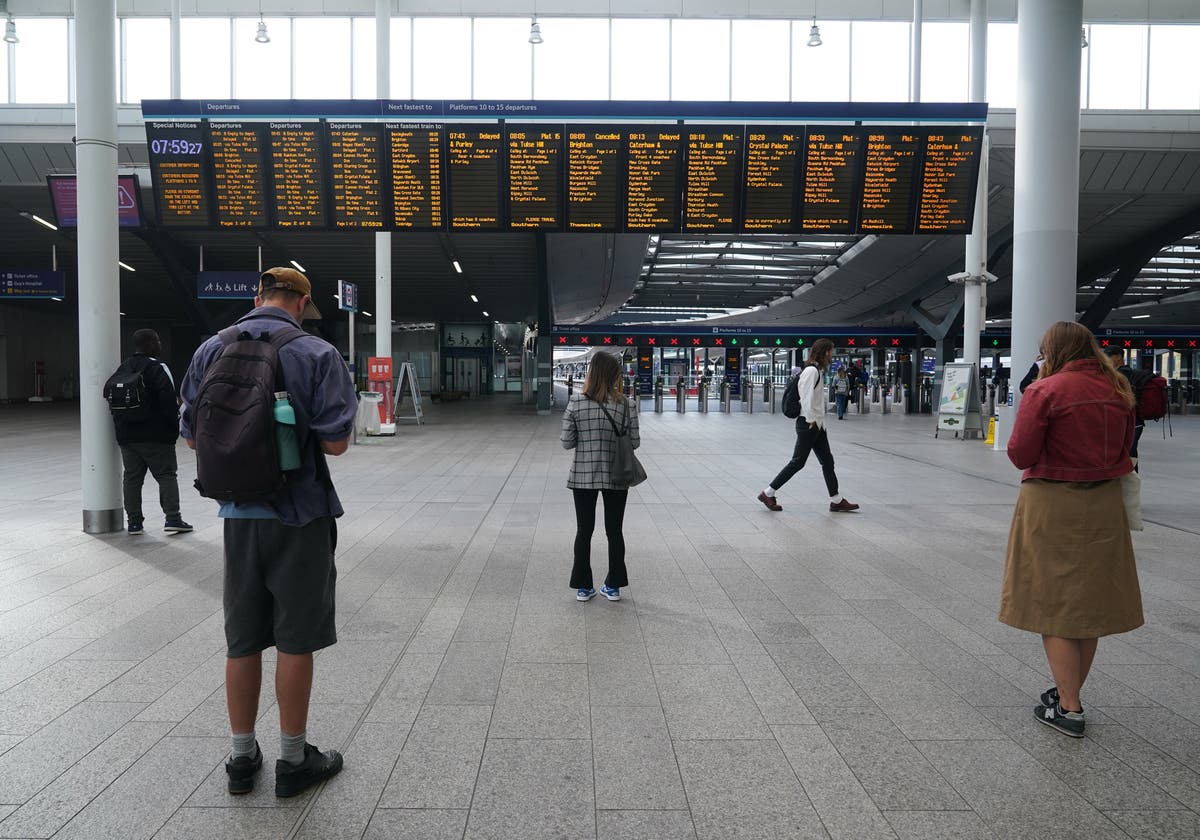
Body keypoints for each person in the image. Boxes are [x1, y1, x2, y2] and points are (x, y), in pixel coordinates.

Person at [179, 267, 357, 797]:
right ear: (301, 303)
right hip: (299, 514)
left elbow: (192, 438)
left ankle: (240, 760)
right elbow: (336, 444)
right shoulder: (317, 354)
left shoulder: (213, 347)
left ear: (257, 297)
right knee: (295, 641)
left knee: (243, 641)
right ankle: (293, 759)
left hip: (237, 516)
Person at [1000, 321, 1142, 739]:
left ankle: (1069, 708)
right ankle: (1069, 691)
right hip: (1104, 503)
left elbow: (1020, 452)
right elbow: (1125, 451)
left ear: (1051, 351)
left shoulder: (1045, 390)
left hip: (1052, 500)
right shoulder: (1117, 390)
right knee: (1089, 605)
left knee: (1054, 602)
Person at [561, 351, 639, 603]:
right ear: (615, 375)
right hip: (617, 476)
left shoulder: (576, 402)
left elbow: (567, 442)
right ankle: (613, 586)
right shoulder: (627, 404)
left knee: (584, 531)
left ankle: (583, 587)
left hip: (583, 476)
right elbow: (634, 443)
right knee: (614, 531)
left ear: (591, 373)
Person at [757, 338, 859, 514]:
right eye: (830, 352)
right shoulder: (811, 371)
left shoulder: (816, 370)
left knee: (827, 461)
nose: (832, 355)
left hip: (817, 425)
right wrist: (812, 419)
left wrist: (819, 422)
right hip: (809, 424)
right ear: (824, 352)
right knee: (798, 462)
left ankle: (836, 500)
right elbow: (805, 397)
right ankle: (768, 493)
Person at [108, 328, 192, 535]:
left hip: (127, 436)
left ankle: (134, 523)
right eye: (158, 341)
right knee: (166, 475)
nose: (160, 345)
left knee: (132, 478)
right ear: (151, 343)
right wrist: (173, 430)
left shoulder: (123, 367)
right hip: (156, 435)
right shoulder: (158, 367)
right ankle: (173, 518)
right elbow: (169, 401)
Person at [1103, 346, 1146, 469]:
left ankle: (1130, 481)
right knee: (1131, 453)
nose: (1107, 359)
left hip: (1129, 421)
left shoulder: (1120, 375)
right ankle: (1133, 480)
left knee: (1127, 454)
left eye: (1109, 356)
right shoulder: (1130, 373)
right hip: (1135, 422)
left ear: (1118, 357)